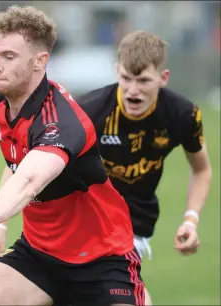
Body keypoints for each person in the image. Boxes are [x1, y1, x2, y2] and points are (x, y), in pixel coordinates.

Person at [0, 5, 145, 306]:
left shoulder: (62, 123)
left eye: (8, 57)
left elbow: (30, 178)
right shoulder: (3, 100)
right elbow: (20, 152)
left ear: (39, 61)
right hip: (39, 254)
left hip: (102, 259)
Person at [75, 30, 212, 305]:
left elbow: (202, 170)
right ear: (116, 72)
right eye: (126, 78)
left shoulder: (182, 115)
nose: (133, 90)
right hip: (81, 220)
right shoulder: (90, 111)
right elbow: (36, 158)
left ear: (163, 78)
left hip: (132, 224)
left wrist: (190, 220)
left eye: (144, 81)